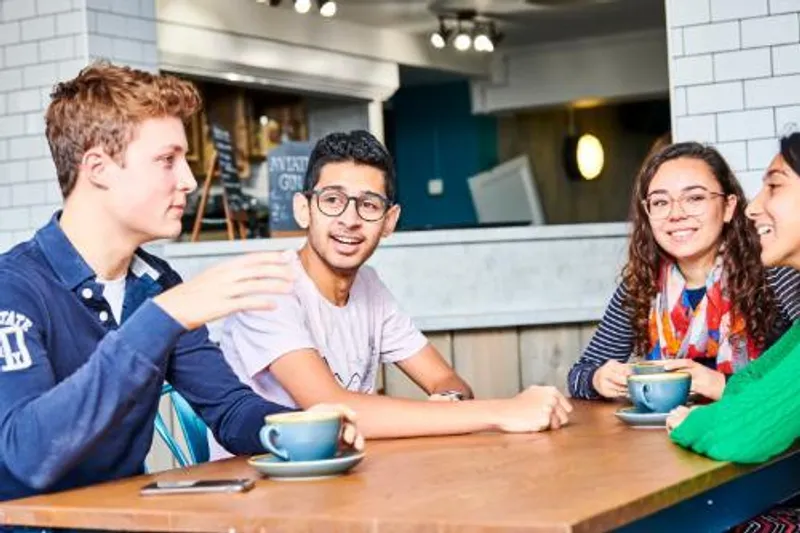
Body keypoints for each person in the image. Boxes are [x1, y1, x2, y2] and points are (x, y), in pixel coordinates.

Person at [0, 62, 360, 503]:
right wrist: (162, 319)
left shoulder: (155, 284)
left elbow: (230, 411)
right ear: (98, 168)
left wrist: (305, 429)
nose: (188, 181)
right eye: (167, 161)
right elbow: (26, 456)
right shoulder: (13, 288)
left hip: (128, 521)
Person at [211, 130, 572, 458]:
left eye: (368, 205)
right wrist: (502, 411)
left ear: (389, 221)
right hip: (258, 488)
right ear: (303, 209)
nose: (350, 220)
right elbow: (328, 408)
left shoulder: (369, 286)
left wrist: (449, 403)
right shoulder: (269, 284)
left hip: (341, 476)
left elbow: (448, 381)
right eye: (333, 200)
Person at [568, 142, 800, 401]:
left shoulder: (775, 273)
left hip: (753, 435)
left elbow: (793, 383)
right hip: (667, 433)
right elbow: (579, 373)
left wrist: (719, 383)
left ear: (728, 207)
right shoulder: (641, 286)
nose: (676, 214)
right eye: (660, 202)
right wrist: (597, 378)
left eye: (695, 198)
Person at [667, 133, 800, 531]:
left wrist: (690, 422)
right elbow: (754, 381)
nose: (753, 206)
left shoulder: (772, 279)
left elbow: (738, 435)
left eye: (774, 185)